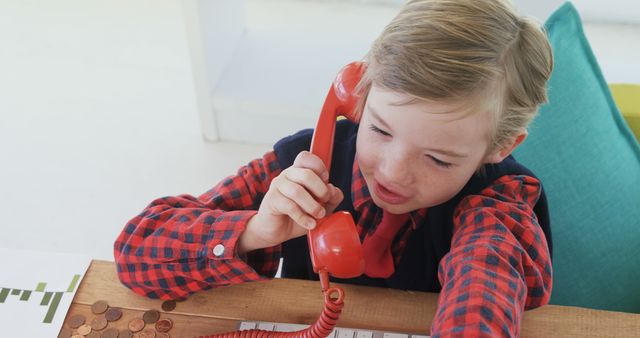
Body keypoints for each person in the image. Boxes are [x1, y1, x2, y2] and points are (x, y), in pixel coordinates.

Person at [114, 0, 553, 336]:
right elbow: (136, 252)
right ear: (357, 97)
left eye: (438, 159)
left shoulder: (498, 202)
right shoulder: (304, 162)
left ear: (499, 147)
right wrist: (254, 232)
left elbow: (485, 286)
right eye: (380, 130)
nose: (394, 172)